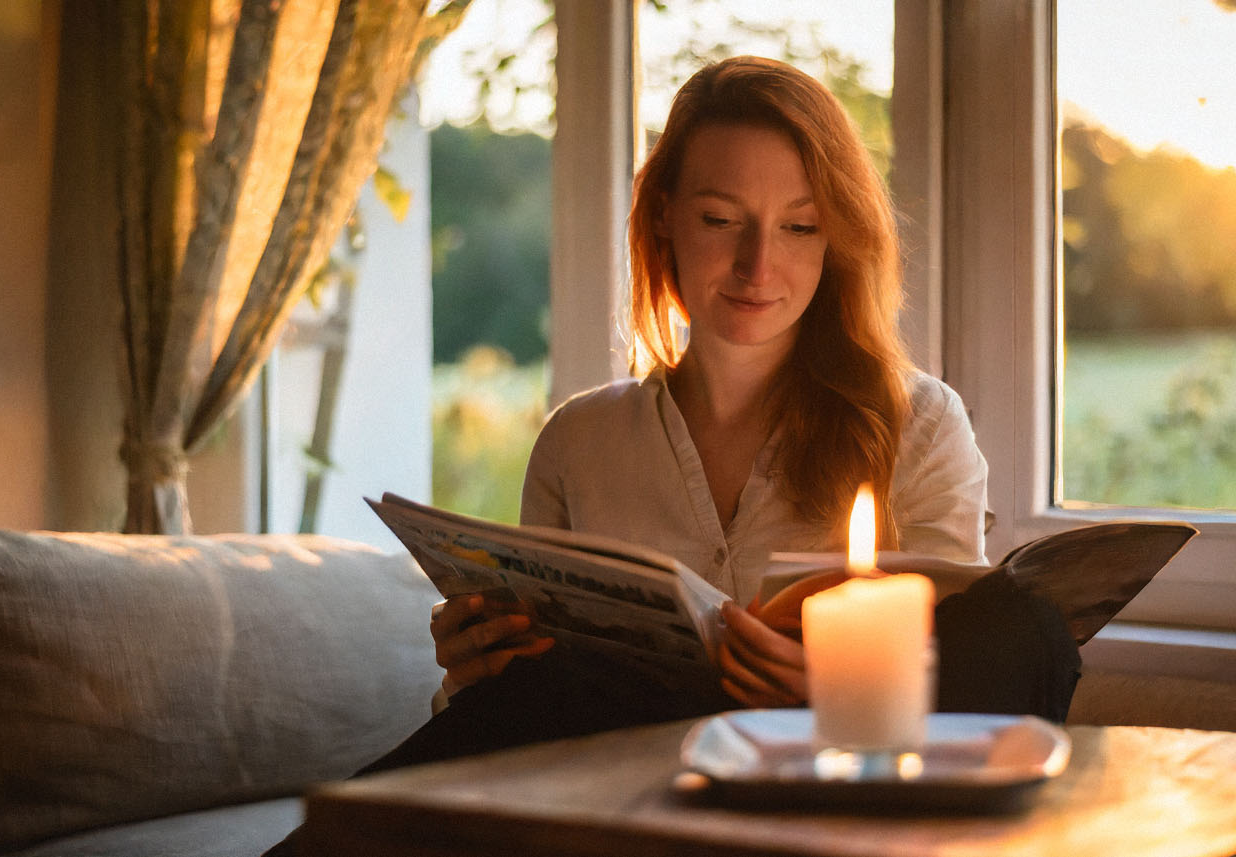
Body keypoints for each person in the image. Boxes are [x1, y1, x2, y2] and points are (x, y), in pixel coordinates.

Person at [263, 55, 1075, 855]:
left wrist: (842, 686)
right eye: (722, 220)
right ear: (665, 218)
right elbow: (520, 722)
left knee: (1022, 628)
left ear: (836, 239)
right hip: (618, 806)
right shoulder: (578, 441)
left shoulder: (920, 421)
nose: (760, 265)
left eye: (799, 226)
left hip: (838, 789)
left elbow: (969, 672)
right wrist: (475, 671)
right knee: (545, 692)